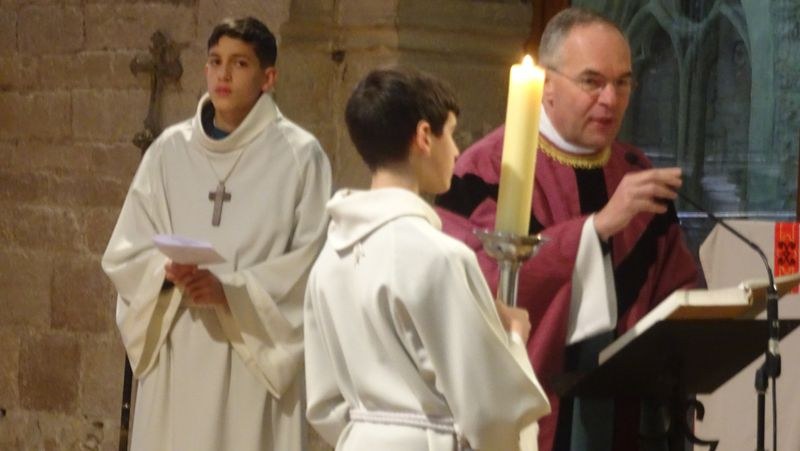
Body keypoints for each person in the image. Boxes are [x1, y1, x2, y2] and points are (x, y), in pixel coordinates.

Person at [435, 7, 699, 451]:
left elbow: (675, 286)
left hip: (632, 419)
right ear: (548, 86)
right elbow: (472, 290)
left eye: (623, 83)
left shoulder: (634, 170)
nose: (610, 100)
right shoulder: (486, 170)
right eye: (592, 82)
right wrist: (594, 230)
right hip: (534, 416)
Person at [102, 17, 331, 451]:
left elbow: (311, 266)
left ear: (268, 78)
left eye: (239, 63)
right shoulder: (169, 151)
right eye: (215, 61)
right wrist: (166, 275)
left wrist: (231, 292)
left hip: (252, 358)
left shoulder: (300, 157)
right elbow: (125, 253)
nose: (223, 74)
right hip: (177, 344)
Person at [304, 68, 551, 451]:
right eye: (450, 134)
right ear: (423, 136)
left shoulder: (329, 259)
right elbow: (490, 412)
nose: (455, 151)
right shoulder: (441, 256)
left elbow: (324, 403)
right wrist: (514, 338)